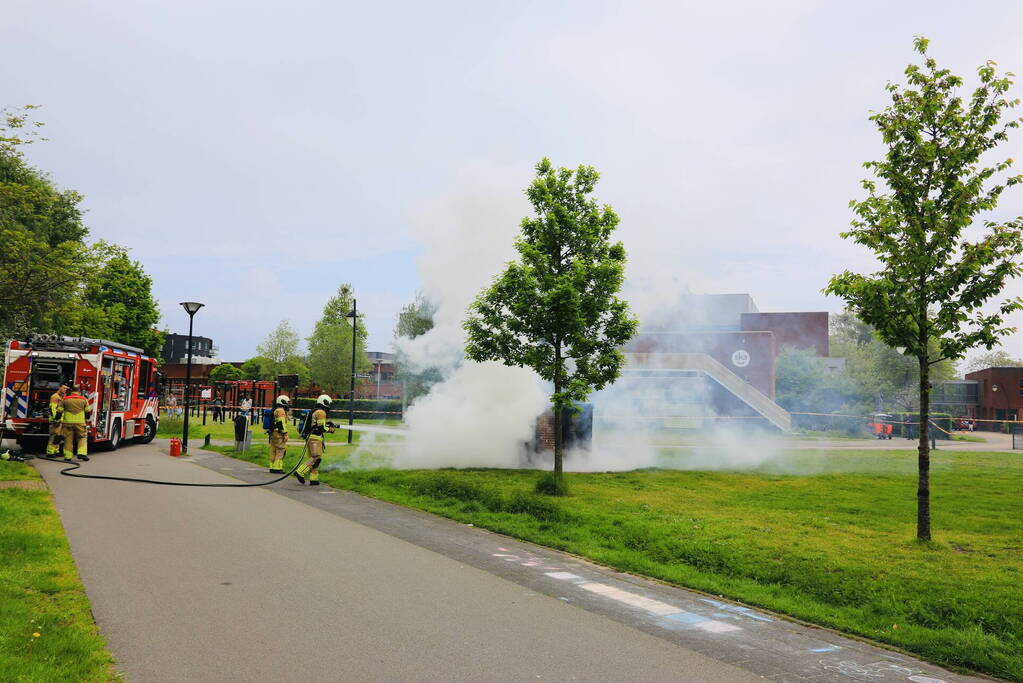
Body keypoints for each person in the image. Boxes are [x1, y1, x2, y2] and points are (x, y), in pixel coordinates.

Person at [295, 394, 334, 486]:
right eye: (328, 403)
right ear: (324, 402)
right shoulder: (321, 412)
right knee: (316, 457)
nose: (329, 405)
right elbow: (321, 428)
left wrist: (328, 423)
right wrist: (331, 429)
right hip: (315, 438)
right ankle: (300, 472)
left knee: (315, 459)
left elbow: (316, 424)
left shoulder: (315, 411)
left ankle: (314, 479)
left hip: (311, 437)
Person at [61, 384, 92, 462]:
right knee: (82, 437)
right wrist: (87, 419)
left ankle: (67, 457)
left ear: (71, 390)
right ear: (79, 391)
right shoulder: (83, 399)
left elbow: (59, 411)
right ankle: (81, 453)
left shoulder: (65, 399)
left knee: (68, 439)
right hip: (80, 423)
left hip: (67, 423)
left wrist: (58, 419)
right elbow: (88, 411)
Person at [267, 395, 291, 473]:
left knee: (273, 450)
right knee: (280, 450)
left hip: (273, 433)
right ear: (283, 401)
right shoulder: (281, 410)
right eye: (287, 402)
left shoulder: (275, 409)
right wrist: (285, 433)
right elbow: (281, 423)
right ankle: (277, 468)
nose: (288, 404)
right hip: (278, 433)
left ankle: (272, 466)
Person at [46, 384, 68, 455]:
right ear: (59, 388)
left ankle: (56, 451)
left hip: (60, 420)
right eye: (64, 388)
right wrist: (56, 419)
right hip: (55, 420)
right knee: (54, 436)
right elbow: (53, 409)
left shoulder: (61, 397)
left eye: (66, 389)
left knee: (58, 436)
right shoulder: (55, 397)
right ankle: (50, 452)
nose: (65, 390)